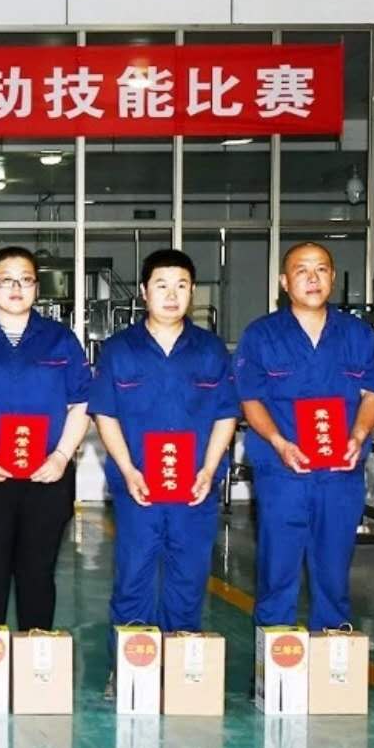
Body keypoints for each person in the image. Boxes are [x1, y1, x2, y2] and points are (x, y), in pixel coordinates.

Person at [88, 249, 240, 661]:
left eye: (181, 286)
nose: (172, 295)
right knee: (133, 578)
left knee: (188, 580)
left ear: (192, 291)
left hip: (194, 488)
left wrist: (209, 469)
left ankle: (180, 669)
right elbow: (105, 414)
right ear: (144, 291)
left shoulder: (211, 350)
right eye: (162, 285)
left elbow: (226, 413)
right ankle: (131, 670)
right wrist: (128, 469)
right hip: (138, 487)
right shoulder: (119, 350)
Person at [233, 242, 374, 634]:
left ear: (333, 277)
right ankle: (275, 654)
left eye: (321, 269)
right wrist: (279, 443)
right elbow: (250, 398)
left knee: (334, 569)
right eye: (301, 270)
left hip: (340, 473)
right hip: (282, 472)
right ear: (284, 282)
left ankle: (331, 650)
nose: (312, 278)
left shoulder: (358, 335)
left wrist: (358, 435)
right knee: (278, 569)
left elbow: (373, 393)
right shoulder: (261, 335)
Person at [0, 246, 92, 631]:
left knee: (38, 572)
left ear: (37, 287)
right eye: (6, 280)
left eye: (25, 280)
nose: (16, 288)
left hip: (48, 477)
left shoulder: (61, 340)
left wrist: (60, 457)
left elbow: (81, 404)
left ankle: (34, 657)